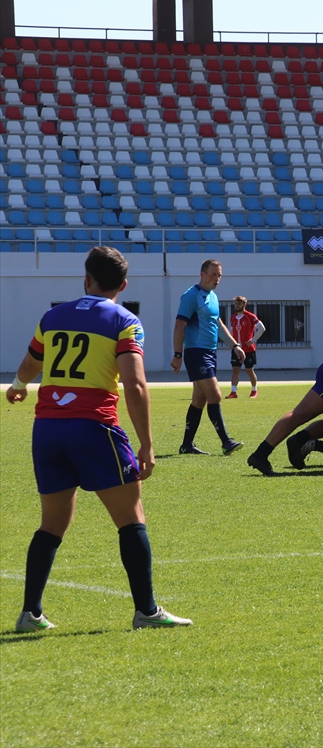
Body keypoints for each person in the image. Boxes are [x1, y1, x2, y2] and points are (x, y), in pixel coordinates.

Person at [8, 247, 191, 632]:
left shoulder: (53, 316)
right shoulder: (124, 320)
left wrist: (19, 386)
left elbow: (29, 364)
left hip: (47, 430)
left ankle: (30, 613)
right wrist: (147, 442)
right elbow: (135, 383)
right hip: (94, 426)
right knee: (131, 518)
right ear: (122, 285)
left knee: (52, 523)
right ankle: (147, 611)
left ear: (85, 279)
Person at [171, 259, 244, 455]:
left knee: (199, 400)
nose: (216, 279)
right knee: (215, 394)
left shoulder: (213, 297)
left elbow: (218, 324)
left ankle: (187, 445)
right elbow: (179, 326)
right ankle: (226, 442)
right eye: (213, 274)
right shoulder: (191, 296)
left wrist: (234, 345)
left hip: (209, 352)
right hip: (196, 352)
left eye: (219, 275)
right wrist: (177, 354)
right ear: (202, 274)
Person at [226, 296, 265, 399]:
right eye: (235, 304)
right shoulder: (233, 318)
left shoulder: (250, 316)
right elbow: (232, 330)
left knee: (249, 370)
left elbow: (261, 328)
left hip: (248, 349)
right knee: (235, 369)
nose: (237, 305)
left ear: (244, 305)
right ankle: (233, 392)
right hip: (236, 349)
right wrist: (230, 342)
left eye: (239, 303)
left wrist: (252, 340)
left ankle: (254, 390)